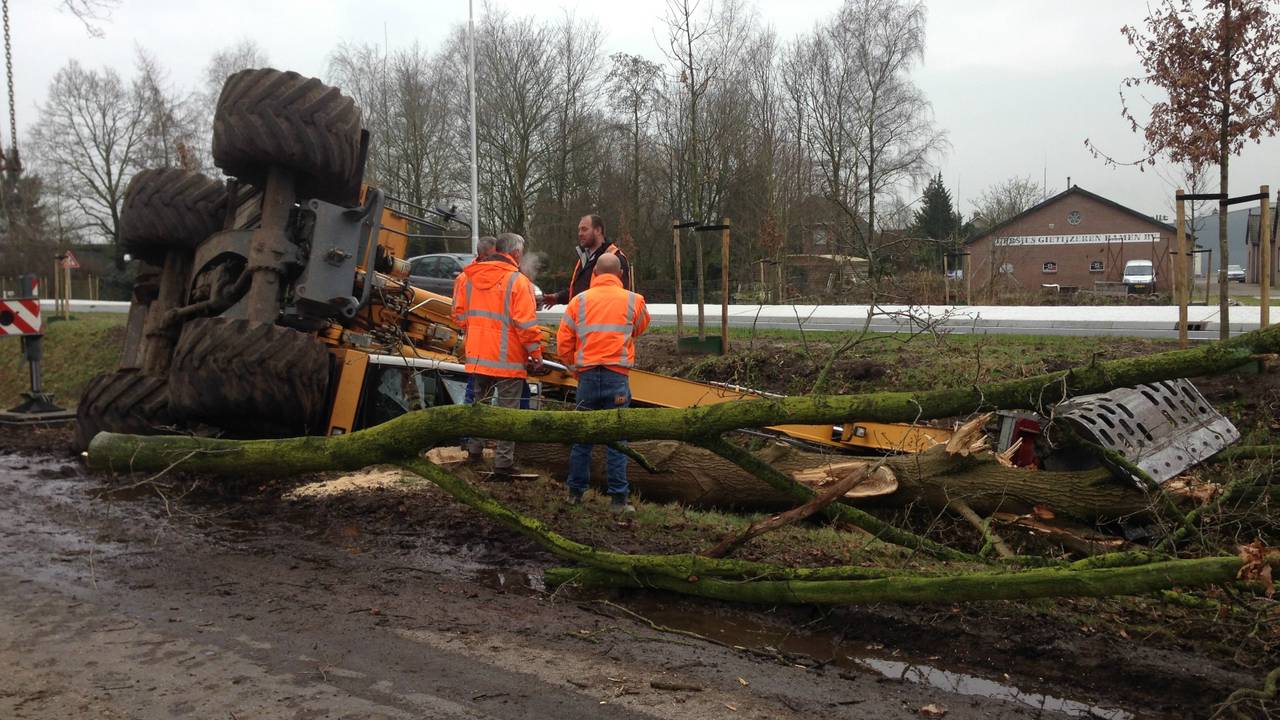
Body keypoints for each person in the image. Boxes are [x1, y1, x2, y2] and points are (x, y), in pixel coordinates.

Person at [555, 253, 650, 513]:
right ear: (621, 275)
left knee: (582, 437)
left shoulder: (578, 301)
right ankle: (619, 499)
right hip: (616, 377)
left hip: (586, 377)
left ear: (595, 273)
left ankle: (575, 493)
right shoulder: (634, 300)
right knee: (617, 440)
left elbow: (563, 342)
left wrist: (573, 367)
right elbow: (639, 328)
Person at [455, 232, 544, 476]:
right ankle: (503, 464)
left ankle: (474, 453)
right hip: (507, 359)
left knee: (478, 409)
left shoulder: (469, 278)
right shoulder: (518, 282)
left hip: (478, 356)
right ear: (515, 253)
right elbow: (525, 325)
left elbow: (459, 315)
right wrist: (536, 354)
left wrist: (477, 332)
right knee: (507, 415)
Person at [542, 214, 632, 308]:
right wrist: (558, 297)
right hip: (581, 316)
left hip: (598, 316)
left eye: (584, 229)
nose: (580, 233)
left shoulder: (615, 258)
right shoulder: (584, 258)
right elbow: (580, 291)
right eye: (579, 230)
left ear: (598, 230)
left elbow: (619, 297)